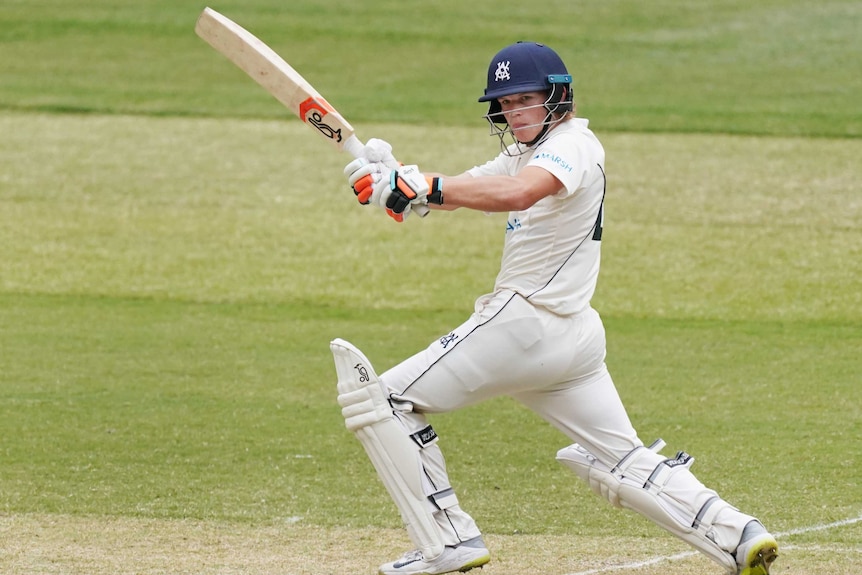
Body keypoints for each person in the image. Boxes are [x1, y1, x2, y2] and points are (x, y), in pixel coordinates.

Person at [332, 41, 779, 575]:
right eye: (507, 103)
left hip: (525, 324)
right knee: (623, 456)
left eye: (527, 99)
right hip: (571, 340)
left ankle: (449, 539)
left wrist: (423, 184)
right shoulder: (528, 149)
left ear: (558, 95)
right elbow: (472, 187)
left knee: (383, 403)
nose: (516, 112)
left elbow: (519, 193)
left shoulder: (573, 143)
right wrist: (393, 179)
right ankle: (738, 534)